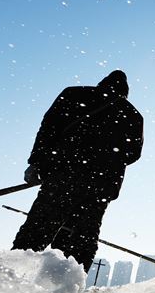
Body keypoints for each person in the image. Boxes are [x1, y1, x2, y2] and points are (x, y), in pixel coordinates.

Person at [12, 70, 143, 272]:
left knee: (39, 227)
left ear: (101, 83)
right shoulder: (132, 115)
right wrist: (106, 158)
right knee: (83, 237)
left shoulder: (74, 94)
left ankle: (13, 275)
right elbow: (133, 154)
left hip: (64, 174)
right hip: (100, 186)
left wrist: (36, 162)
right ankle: (67, 288)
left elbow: (48, 128)